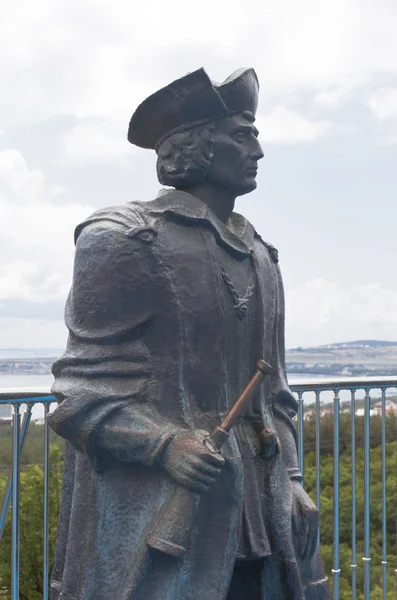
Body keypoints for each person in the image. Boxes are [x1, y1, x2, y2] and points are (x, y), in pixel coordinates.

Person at [48, 67, 330, 600]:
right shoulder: (125, 239)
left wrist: (290, 479)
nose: (259, 150)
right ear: (196, 146)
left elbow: (277, 397)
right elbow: (77, 395)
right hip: (164, 524)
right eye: (242, 134)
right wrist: (164, 444)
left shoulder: (261, 256)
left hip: (265, 518)